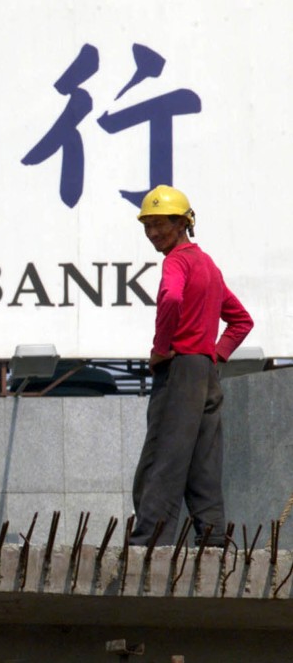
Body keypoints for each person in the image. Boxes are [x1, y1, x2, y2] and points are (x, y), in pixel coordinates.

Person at [130, 185, 253, 546]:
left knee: (160, 462)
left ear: (183, 223)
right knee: (204, 465)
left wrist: (161, 348)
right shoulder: (208, 266)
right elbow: (241, 321)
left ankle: (147, 546)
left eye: (160, 225)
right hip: (207, 376)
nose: (153, 233)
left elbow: (170, 296)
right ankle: (213, 541)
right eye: (147, 226)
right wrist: (215, 355)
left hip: (181, 371)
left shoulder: (177, 261)